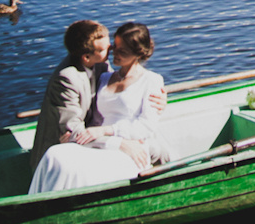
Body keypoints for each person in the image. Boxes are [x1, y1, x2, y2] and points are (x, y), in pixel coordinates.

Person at [27, 23, 170, 194]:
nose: (112, 53)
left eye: (118, 50)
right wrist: (115, 141)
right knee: (55, 156)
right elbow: (74, 130)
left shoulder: (106, 68)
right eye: (112, 48)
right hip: (95, 142)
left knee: (64, 162)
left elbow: (143, 120)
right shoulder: (74, 78)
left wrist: (161, 101)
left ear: (137, 54)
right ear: (87, 57)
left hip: (129, 143)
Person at [28, 19, 110, 169]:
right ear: (86, 57)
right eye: (105, 49)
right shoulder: (66, 79)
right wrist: (118, 142)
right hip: (58, 161)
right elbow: (73, 133)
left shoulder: (101, 63)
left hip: (86, 138)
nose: (112, 49)